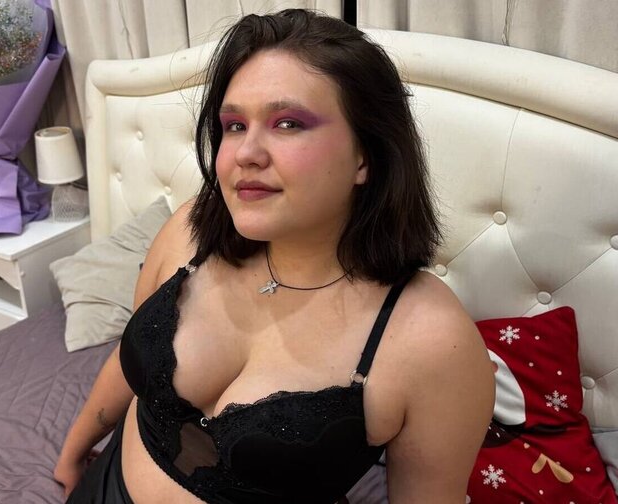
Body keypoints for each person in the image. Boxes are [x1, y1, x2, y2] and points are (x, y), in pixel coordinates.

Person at [55, 8, 494, 504]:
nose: (246, 153)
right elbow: (130, 363)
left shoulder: (432, 341)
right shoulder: (189, 232)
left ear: (365, 156)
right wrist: (75, 447)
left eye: (287, 123)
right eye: (234, 125)